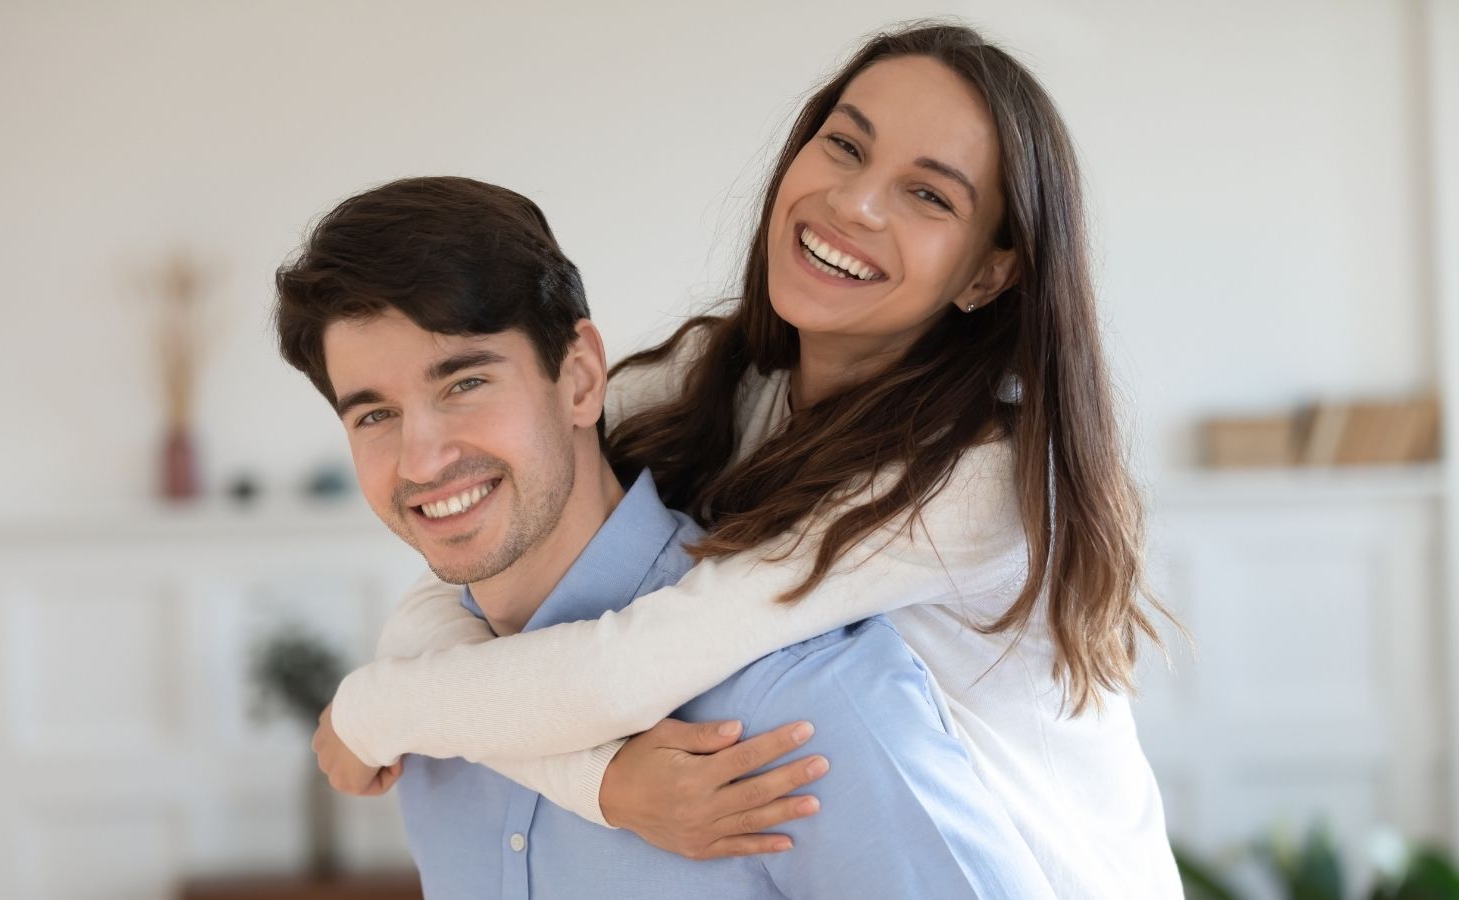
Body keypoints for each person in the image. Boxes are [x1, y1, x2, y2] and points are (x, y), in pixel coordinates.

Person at [309, 21, 1181, 900]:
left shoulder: (975, 481)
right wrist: (591, 778)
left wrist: (379, 710)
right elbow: (475, 548)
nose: (857, 204)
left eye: (930, 196)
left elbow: (620, 674)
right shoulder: (722, 386)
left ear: (988, 275)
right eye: (844, 145)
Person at [274, 174, 1056, 899]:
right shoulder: (424, 718)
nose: (423, 459)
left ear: (581, 379)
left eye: (466, 382)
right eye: (374, 414)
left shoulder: (802, 701)